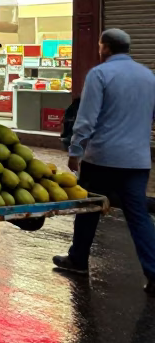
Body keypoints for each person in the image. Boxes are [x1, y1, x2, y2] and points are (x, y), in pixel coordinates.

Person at [53, 29, 155, 296]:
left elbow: (86, 119)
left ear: (106, 48)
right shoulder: (148, 76)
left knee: (88, 208)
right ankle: (154, 272)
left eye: (100, 46)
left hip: (103, 158)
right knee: (139, 216)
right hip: (137, 160)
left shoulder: (99, 74)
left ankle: (78, 259)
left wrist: (75, 152)